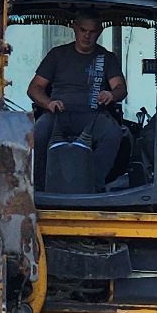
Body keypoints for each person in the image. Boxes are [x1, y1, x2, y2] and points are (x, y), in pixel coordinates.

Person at [27, 15, 129, 192]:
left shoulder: (106, 57)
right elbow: (34, 88)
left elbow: (121, 88)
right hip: (58, 113)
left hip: (94, 115)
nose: (87, 36)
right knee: (39, 132)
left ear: (100, 32)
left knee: (113, 133)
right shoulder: (57, 54)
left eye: (92, 31)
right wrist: (49, 103)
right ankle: (40, 188)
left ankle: (92, 185)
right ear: (74, 28)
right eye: (83, 30)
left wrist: (111, 94)